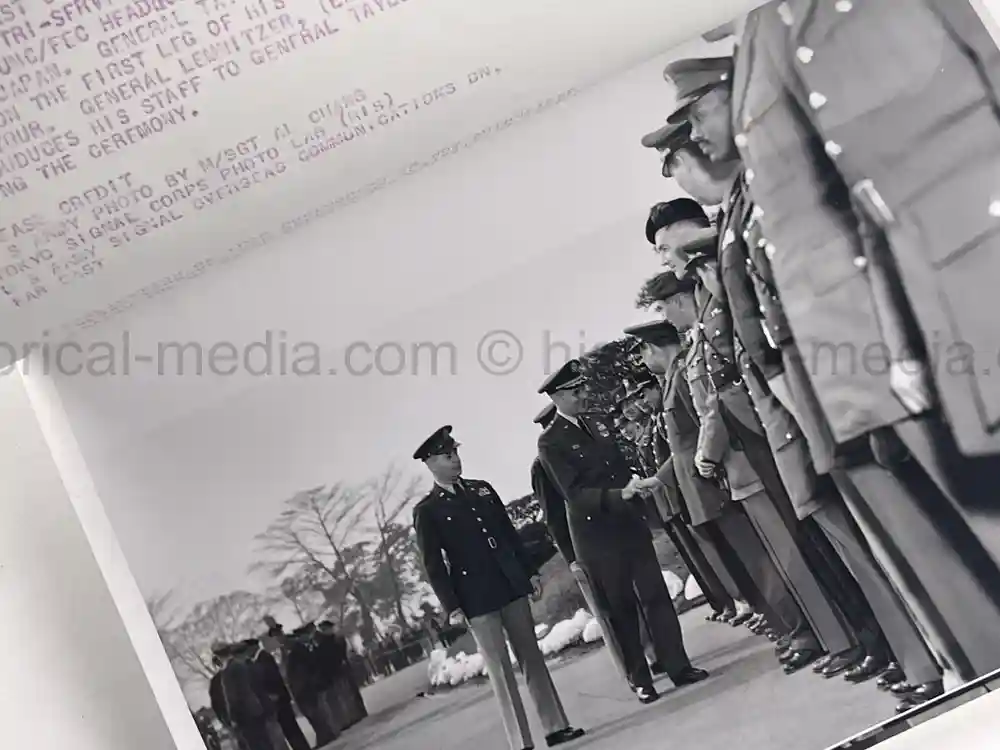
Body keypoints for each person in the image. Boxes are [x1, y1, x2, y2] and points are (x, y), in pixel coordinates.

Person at [681, 9, 1000, 702]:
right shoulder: (772, 48)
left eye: (692, 123)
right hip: (838, 380)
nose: (694, 142)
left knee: (964, 537)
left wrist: (900, 343)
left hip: (902, 343)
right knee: (933, 555)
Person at [537, 361, 709, 702]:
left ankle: (677, 665)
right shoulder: (550, 443)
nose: (584, 394)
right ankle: (640, 678)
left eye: (583, 388)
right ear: (558, 397)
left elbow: (618, 465)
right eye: (576, 391)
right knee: (620, 609)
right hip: (597, 538)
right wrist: (619, 495)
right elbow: (574, 495)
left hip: (629, 524)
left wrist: (635, 485)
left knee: (656, 596)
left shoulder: (598, 422)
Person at [412, 425, 585, 750]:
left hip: (509, 587)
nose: (455, 460)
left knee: (531, 658)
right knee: (501, 672)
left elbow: (509, 536)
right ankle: (521, 742)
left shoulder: (482, 491)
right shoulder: (428, 511)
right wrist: (452, 607)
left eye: (456, 453)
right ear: (431, 462)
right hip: (475, 599)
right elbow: (433, 565)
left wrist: (530, 573)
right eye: (447, 456)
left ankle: (556, 726)